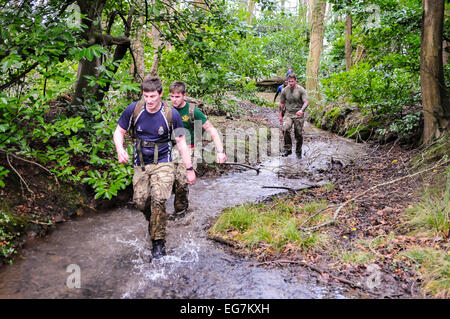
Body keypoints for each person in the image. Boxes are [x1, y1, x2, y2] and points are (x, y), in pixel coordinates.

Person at [113, 76, 196, 260]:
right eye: (146, 96)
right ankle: (156, 221)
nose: (149, 101)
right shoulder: (134, 110)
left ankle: (158, 242)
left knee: (159, 199)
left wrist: (189, 168)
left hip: (164, 163)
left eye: (153, 97)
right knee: (141, 202)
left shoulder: (171, 114)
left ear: (160, 94)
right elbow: (119, 132)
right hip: (140, 164)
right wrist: (120, 149)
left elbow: (182, 142)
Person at [169, 81, 227, 220]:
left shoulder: (193, 111)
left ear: (184, 95)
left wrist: (220, 151)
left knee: (182, 182)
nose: (174, 100)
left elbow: (211, 130)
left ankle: (180, 213)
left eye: (177, 96)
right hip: (171, 151)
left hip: (190, 151)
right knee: (169, 181)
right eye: (172, 96)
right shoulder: (168, 110)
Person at [279, 73, 309, 158]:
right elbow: (281, 103)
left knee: (298, 134)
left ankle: (298, 152)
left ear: (295, 81)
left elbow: (306, 102)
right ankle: (288, 149)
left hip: (298, 114)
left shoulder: (300, 90)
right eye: (289, 81)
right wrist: (280, 115)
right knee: (285, 128)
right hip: (288, 113)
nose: (291, 83)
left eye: (292, 81)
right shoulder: (285, 90)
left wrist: (301, 110)